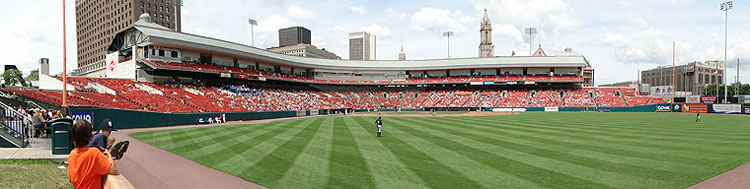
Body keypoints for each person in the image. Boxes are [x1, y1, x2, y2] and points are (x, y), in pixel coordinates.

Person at [68, 119, 118, 188]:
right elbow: (113, 170)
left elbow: (71, 179)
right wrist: (108, 153)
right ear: (90, 136)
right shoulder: (94, 153)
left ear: (74, 138)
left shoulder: (72, 154)